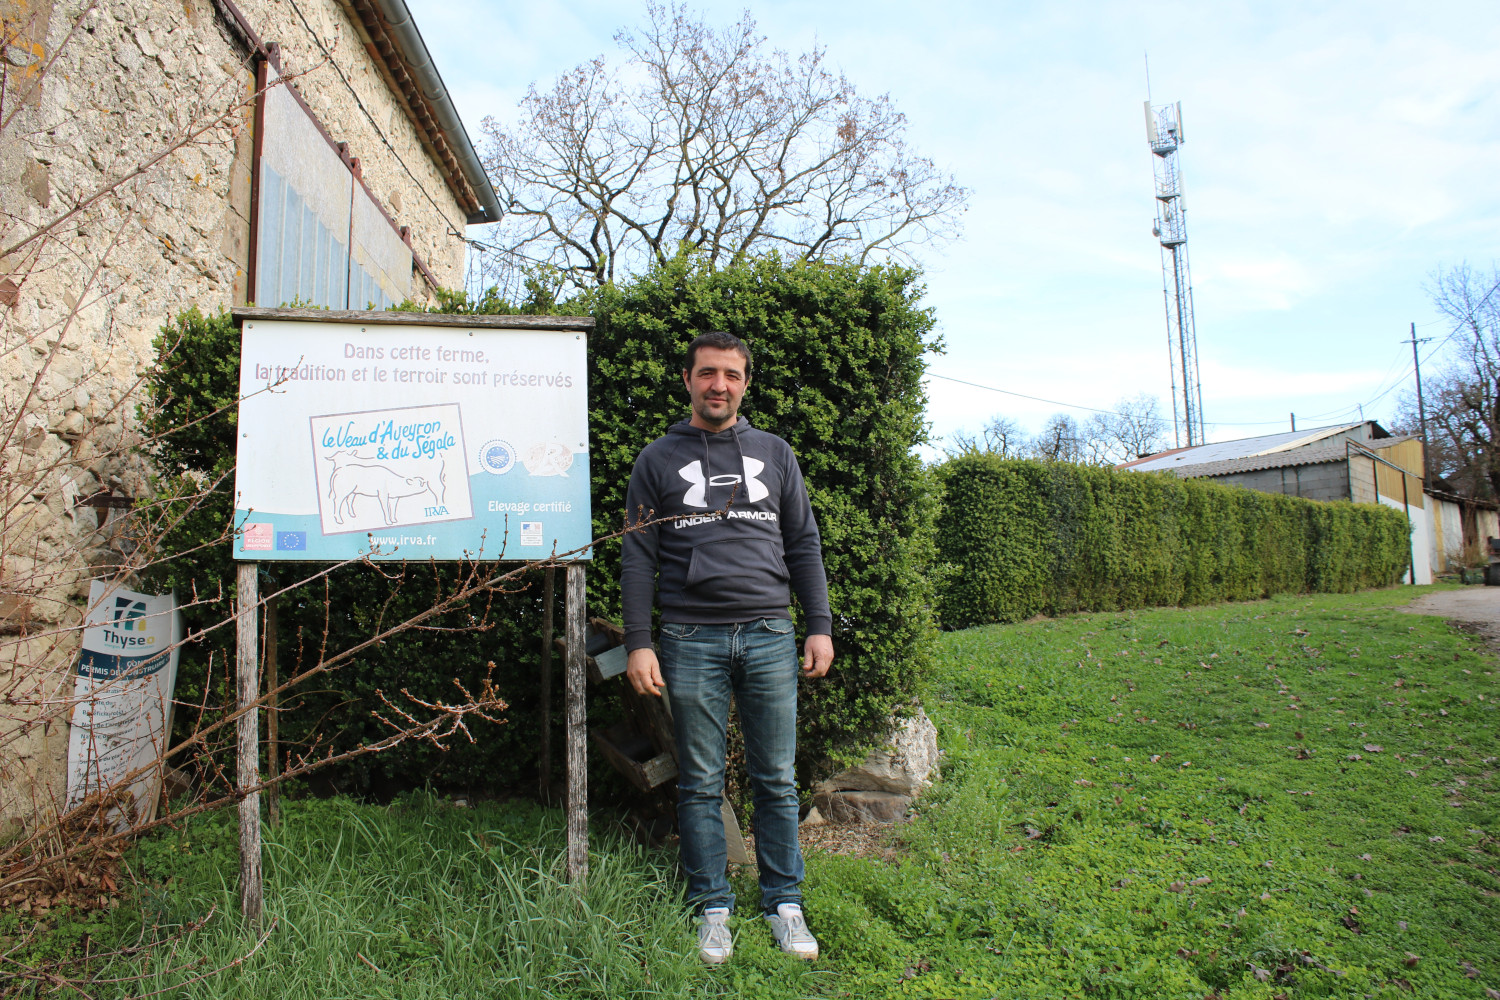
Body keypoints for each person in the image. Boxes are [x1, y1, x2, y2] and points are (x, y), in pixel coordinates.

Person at [621, 330, 834, 964]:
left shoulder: (775, 453)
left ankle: (784, 904)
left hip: (770, 633)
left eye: (732, 375)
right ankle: (712, 908)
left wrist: (817, 623)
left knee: (775, 778)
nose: (719, 385)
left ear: (745, 383)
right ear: (687, 380)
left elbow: (803, 544)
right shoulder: (655, 460)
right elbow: (638, 558)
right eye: (707, 373)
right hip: (688, 638)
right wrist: (639, 642)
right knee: (700, 782)